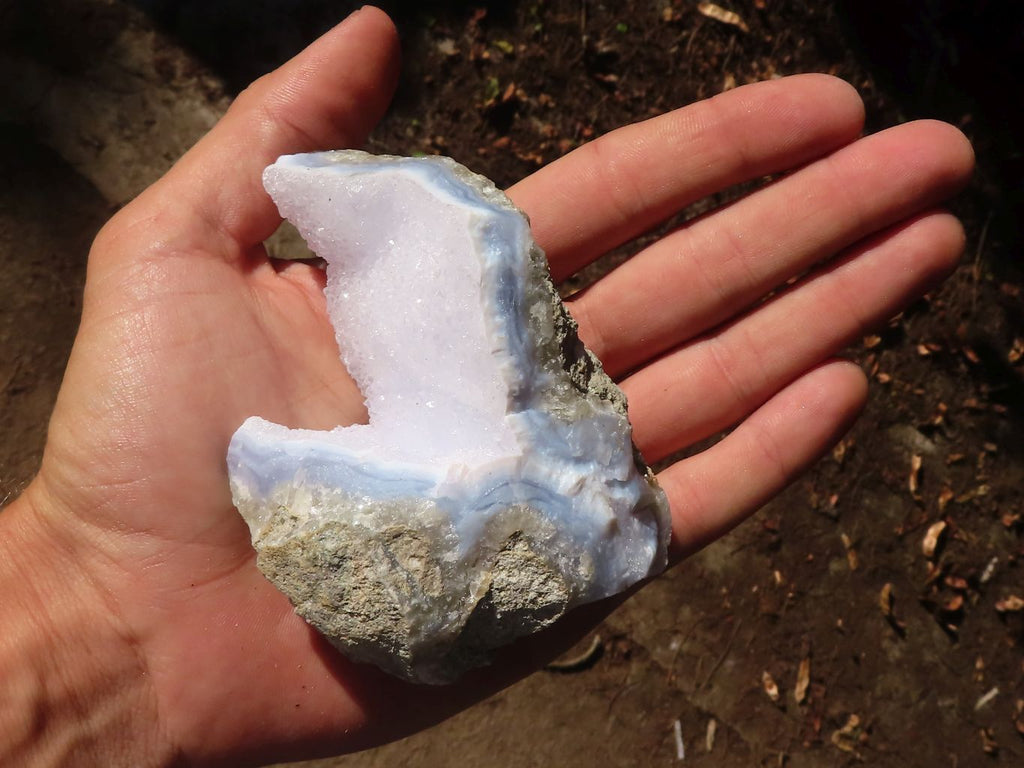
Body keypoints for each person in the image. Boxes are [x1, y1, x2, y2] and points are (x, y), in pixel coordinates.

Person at [0, 6, 973, 766]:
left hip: (513, 523)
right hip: (467, 534)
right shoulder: (410, 282)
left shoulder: (427, 265)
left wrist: (81, 609)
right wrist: (87, 597)